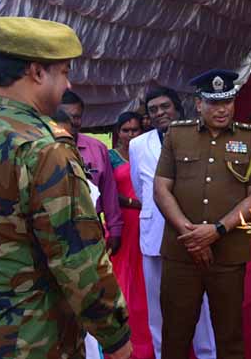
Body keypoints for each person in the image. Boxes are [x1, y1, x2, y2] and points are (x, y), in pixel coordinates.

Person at [0, 16, 131, 358]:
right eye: (63, 72)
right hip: (30, 340)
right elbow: (79, 261)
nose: (67, 84)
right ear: (36, 72)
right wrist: (116, 338)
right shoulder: (44, 149)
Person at [154, 70, 251, 359]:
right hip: (182, 253)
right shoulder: (177, 134)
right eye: (214, 103)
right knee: (175, 336)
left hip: (227, 253)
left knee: (230, 337)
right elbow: (161, 189)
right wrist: (191, 235)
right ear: (198, 103)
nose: (222, 109)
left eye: (228, 101)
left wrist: (216, 231)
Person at [129, 87, 216, 359]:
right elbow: (140, 188)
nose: (159, 113)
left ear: (177, 108)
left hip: (192, 230)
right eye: (153, 110)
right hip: (154, 233)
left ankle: (207, 354)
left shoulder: (198, 135)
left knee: (200, 302)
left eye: (164, 106)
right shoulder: (137, 145)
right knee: (157, 306)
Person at [108, 112, 155, 358]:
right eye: (125, 130)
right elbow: (106, 191)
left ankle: (149, 343)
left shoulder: (147, 152)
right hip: (123, 223)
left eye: (134, 130)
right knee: (124, 279)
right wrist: (133, 203)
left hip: (148, 220)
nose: (130, 134)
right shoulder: (110, 157)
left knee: (146, 280)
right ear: (118, 132)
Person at [60, 90, 123, 254]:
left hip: (91, 230)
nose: (72, 122)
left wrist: (115, 229)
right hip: (54, 231)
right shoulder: (42, 147)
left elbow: (109, 192)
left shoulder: (97, 148)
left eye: (76, 116)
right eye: (66, 117)